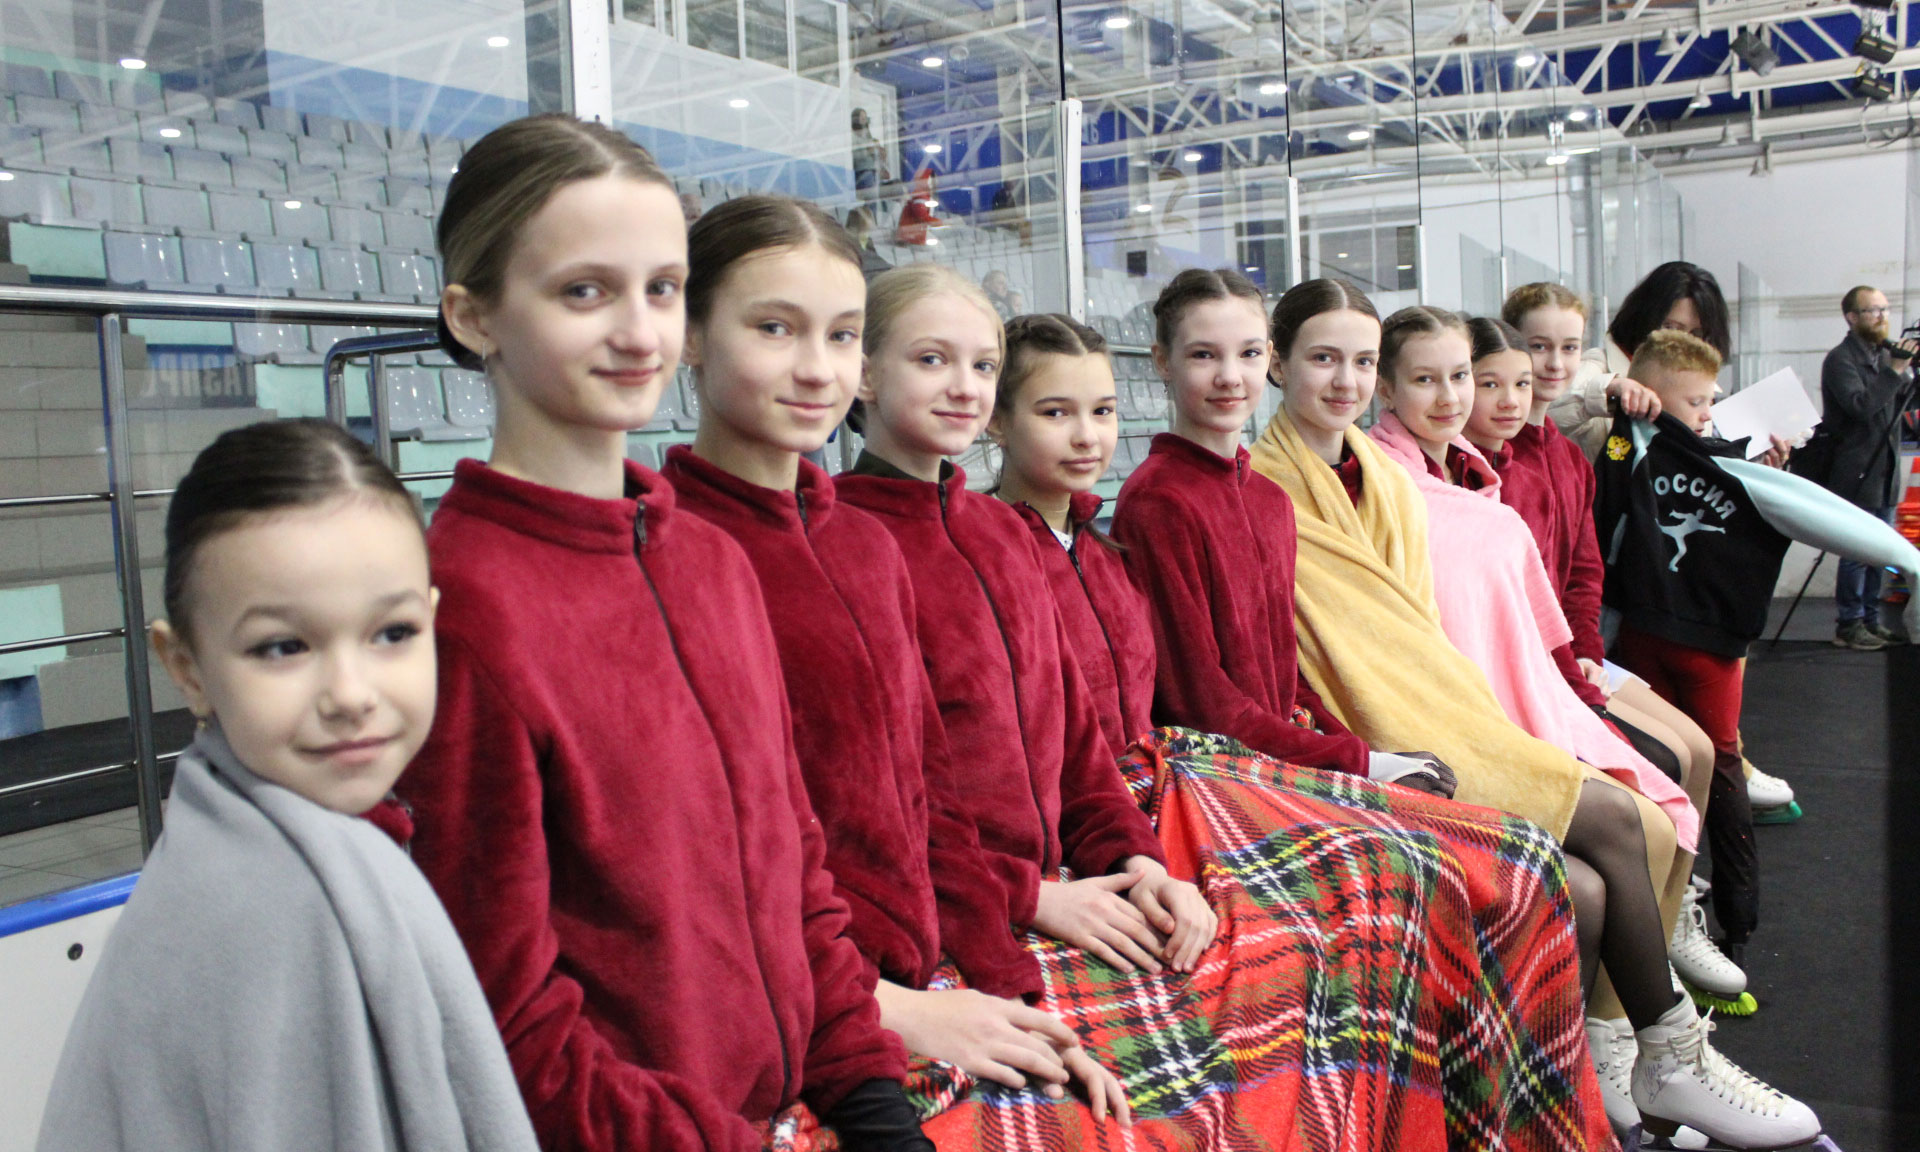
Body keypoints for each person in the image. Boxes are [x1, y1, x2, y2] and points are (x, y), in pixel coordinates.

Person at [839, 265, 1466, 1146]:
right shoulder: (856, 546)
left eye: (981, 364)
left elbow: (1078, 749)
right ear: (863, 372)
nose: (963, 387)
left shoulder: (1000, 537)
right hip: (976, 909)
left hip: (1074, 861)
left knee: (1372, 918)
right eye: (932, 360)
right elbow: (897, 800)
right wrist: (1027, 906)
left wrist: (1139, 862)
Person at [406, 115, 929, 1151]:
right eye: (583, 292)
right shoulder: (456, 607)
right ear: (474, 316)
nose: (641, 334)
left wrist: (868, 1097)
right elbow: (503, 1019)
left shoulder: (711, 564)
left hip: (797, 1105)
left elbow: (795, 866)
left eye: (662, 289)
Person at [1008, 304, 1617, 1149]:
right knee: (1458, 881)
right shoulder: (1143, 508)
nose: (1230, 376)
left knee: (1527, 864)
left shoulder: (1196, 517)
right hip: (1185, 782)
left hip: (1202, 774)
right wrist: (1355, 759)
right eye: (1055, 410)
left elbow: (1277, 675)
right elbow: (1182, 711)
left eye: (1102, 410)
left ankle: (1553, 1098)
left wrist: (1358, 754)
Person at [1248, 278, 1823, 1149]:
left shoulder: (1381, 477)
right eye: (1325, 359)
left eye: (1358, 360)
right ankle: (1661, 1058)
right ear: (1280, 364)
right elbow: (1334, 649)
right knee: (1611, 833)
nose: (1345, 380)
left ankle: (1635, 1061)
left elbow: (1429, 623)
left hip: (1445, 703)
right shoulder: (1278, 484)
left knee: (1644, 807)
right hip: (1380, 734)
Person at [661, 195, 1129, 1124]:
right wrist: (884, 1013)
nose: (816, 367)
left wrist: (1007, 980)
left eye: (839, 334)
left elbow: (928, 791)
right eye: (774, 328)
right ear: (690, 338)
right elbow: (720, 866)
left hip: (915, 963)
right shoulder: (682, 554)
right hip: (816, 1010)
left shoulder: (861, 546)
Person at [38, 419, 538, 1152]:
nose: (351, 694)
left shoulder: (226, 849)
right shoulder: (295, 905)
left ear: (433, 621)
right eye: (283, 647)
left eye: (393, 633)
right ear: (185, 667)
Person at [1594, 331, 1920, 985]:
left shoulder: (1681, 455)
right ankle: (1701, 912)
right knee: (1688, 768)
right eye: (1697, 401)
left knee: (1705, 767)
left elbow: (1811, 509)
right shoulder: (1631, 443)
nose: (1707, 413)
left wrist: (1905, 558)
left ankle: (1727, 918)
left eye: (1711, 400)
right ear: (1653, 395)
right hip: (1665, 643)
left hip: (1670, 642)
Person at [1472, 303, 1746, 1018]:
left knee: (1699, 749)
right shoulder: (1494, 465)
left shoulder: (1565, 457)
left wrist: (1587, 652)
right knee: (1662, 767)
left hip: (1569, 654)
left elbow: (1582, 571)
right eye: (1537, 349)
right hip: (1529, 669)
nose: (1552, 366)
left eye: (1568, 348)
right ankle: (1631, 989)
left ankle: (1668, 919)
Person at [1815, 284, 1919, 649]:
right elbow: (1861, 407)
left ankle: (1872, 620)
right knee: (1857, 553)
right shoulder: (1841, 360)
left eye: (1885, 310)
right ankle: (1849, 624)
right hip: (1855, 469)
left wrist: (1908, 372)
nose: (1882, 317)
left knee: (1881, 552)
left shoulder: (1884, 355)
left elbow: (1902, 405)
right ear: (1851, 317)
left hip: (1885, 470)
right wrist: (1895, 371)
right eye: (1873, 310)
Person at [1547, 260, 1730, 459]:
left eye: (1696, 334)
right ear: (1645, 316)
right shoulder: (1598, 366)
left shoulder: (1699, 385)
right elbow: (1548, 412)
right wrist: (1610, 391)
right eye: (1670, 327)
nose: (1683, 342)